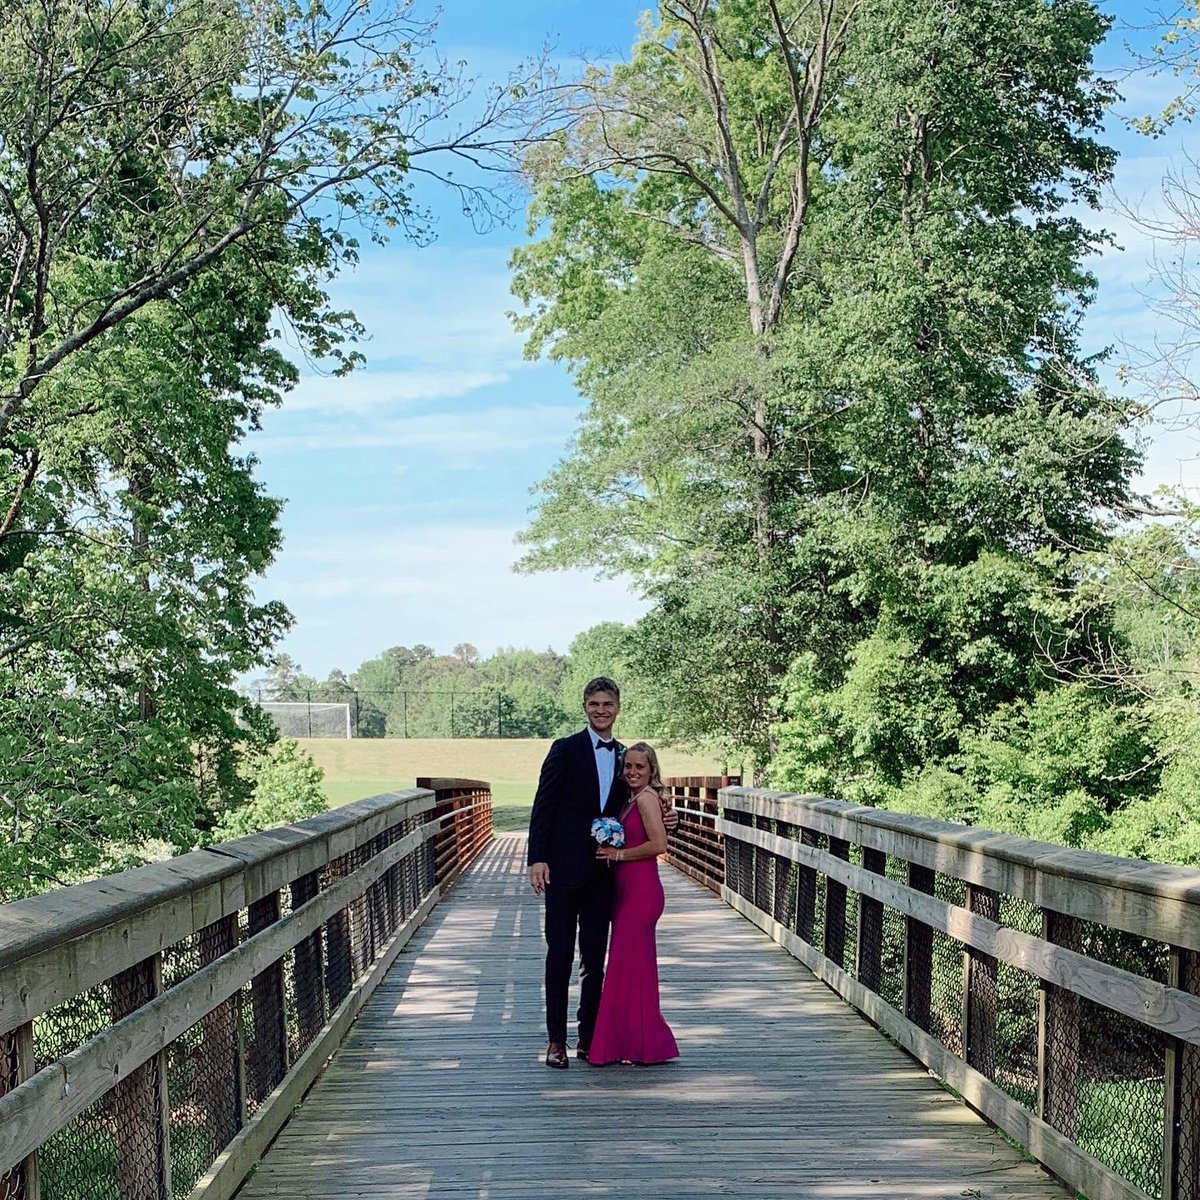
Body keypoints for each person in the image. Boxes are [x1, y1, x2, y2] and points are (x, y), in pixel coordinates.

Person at [527, 677, 675, 1070]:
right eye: (594, 704)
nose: (601, 710)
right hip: (561, 871)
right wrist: (537, 858)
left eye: (607, 704)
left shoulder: (627, 757)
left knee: (595, 959)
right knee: (558, 954)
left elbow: (643, 805)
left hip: (602, 876)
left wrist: (668, 815)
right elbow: (543, 807)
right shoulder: (564, 750)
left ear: (618, 707)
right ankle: (556, 1041)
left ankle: (589, 1038)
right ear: (584, 707)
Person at [588, 741, 679, 1066]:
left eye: (640, 767)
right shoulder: (632, 799)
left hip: (642, 892)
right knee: (630, 968)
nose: (632, 772)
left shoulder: (647, 799)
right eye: (628, 766)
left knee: (630, 968)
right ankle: (632, 1041)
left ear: (652, 770)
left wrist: (619, 854)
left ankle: (638, 1044)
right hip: (627, 890)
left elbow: (658, 843)